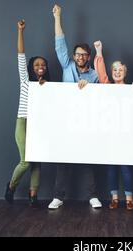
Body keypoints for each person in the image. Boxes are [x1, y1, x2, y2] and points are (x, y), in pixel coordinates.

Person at [48, 4, 102, 210]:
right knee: (64, 160)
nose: (80, 57)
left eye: (83, 55)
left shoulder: (94, 75)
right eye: (77, 54)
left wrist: (88, 88)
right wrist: (58, 17)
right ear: (74, 56)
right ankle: (58, 197)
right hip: (66, 119)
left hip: (87, 121)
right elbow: (59, 44)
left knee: (88, 159)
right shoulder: (67, 66)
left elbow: (101, 98)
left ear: (88, 56)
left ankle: (93, 196)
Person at [4, 19, 50, 208]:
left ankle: (33, 196)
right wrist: (20, 31)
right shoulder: (25, 81)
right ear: (32, 68)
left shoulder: (48, 87)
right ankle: (11, 186)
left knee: (37, 162)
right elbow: (21, 55)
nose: (41, 66)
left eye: (44, 65)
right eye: (37, 64)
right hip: (23, 122)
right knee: (25, 161)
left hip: (39, 125)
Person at [92, 40, 133, 210]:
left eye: (121, 70)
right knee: (111, 168)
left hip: (126, 135)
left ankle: (129, 198)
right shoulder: (107, 86)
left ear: (125, 73)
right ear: (112, 73)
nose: (117, 72)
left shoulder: (132, 88)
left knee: (126, 168)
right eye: (115, 70)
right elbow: (100, 71)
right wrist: (99, 52)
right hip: (110, 135)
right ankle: (114, 198)